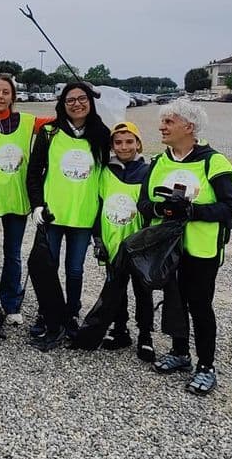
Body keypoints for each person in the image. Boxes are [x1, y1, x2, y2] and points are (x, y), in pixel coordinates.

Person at [137, 101, 232, 395]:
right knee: (175, 301)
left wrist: (192, 212)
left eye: (169, 121)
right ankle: (180, 353)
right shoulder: (159, 162)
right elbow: (144, 204)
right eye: (163, 122)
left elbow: (231, 207)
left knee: (199, 305)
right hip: (169, 248)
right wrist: (164, 209)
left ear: (189, 127)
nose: (162, 127)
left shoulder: (213, 161)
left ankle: (206, 365)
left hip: (202, 249)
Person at [26, 82, 111, 349]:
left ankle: (72, 312)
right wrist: (37, 205)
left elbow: (108, 174)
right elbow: (34, 172)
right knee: (46, 269)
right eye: (70, 100)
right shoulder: (49, 131)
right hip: (53, 214)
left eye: (81, 98)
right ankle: (47, 313)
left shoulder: (101, 133)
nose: (76, 104)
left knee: (74, 270)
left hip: (83, 216)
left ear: (90, 101)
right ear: (62, 104)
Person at [0, 73, 53, 326]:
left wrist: (86, 96)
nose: (0, 96)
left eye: (6, 92)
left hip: (17, 200)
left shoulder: (28, 122)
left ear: (13, 96)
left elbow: (63, 119)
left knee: (12, 253)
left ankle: (11, 303)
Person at [88, 121, 154, 361]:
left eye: (129, 141)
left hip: (138, 246)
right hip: (112, 241)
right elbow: (97, 205)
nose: (124, 147)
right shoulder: (105, 171)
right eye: (118, 142)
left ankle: (145, 335)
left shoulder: (148, 172)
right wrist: (97, 238)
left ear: (138, 143)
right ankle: (120, 328)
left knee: (142, 291)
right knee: (116, 290)